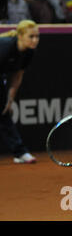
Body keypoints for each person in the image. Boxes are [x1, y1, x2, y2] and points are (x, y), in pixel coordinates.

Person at [0, 19, 39, 164]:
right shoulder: (5, 47)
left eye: (37, 36)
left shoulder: (29, 52)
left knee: (3, 113)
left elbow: (17, 76)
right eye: (31, 36)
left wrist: (9, 100)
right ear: (20, 36)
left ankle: (20, 153)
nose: (35, 40)